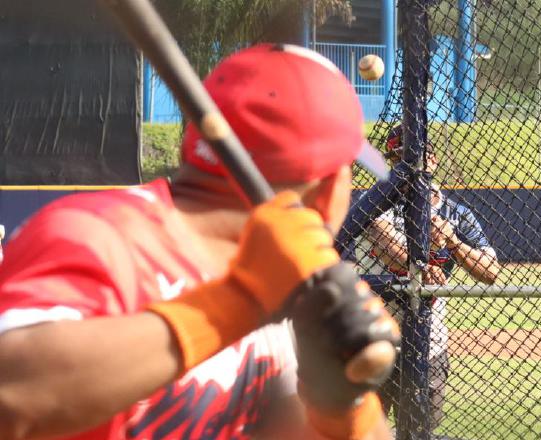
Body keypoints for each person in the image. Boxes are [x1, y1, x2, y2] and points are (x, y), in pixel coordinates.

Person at [0, 44, 399, 440]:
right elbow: (11, 392)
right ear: (327, 190)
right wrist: (243, 299)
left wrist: (344, 407)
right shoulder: (101, 234)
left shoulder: (281, 287)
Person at [356, 124, 499, 428]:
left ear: (431, 160)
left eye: (415, 158)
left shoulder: (456, 214)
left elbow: (490, 272)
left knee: (420, 430)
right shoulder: (375, 202)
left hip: (428, 343)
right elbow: (385, 242)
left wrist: (453, 243)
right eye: (399, 160)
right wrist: (422, 262)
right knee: (365, 431)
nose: (407, 168)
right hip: (373, 339)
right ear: (390, 163)